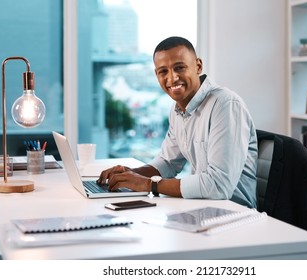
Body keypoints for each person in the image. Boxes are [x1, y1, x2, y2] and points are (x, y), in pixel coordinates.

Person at [97, 36, 258, 208]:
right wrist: (130, 175)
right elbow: (168, 162)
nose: (172, 78)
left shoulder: (225, 105)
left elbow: (219, 186)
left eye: (179, 68)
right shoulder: (177, 110)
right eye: (163, 71)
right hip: (201, 207)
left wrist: (147, 184)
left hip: (235, 213)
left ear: (198, 66)